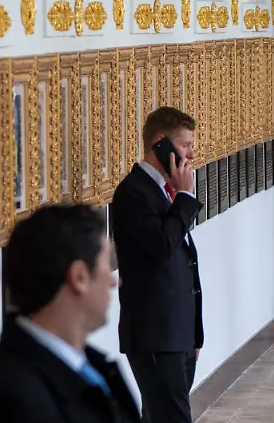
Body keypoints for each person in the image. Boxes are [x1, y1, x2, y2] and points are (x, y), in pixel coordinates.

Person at [0, 204, 141, 423]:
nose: (114, 280)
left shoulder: (89, 366)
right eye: (106, 265)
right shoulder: (7, 400)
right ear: (79, 277)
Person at [110, 106, 203, 423]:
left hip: (177, 335)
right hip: (154, 335)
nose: (191, 152)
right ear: (161, 142)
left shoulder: (166, 192)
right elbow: (162, 246)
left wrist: (193, 336)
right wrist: (185, 199)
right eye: (186, 144)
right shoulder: (133, 193)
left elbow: (183, 261)